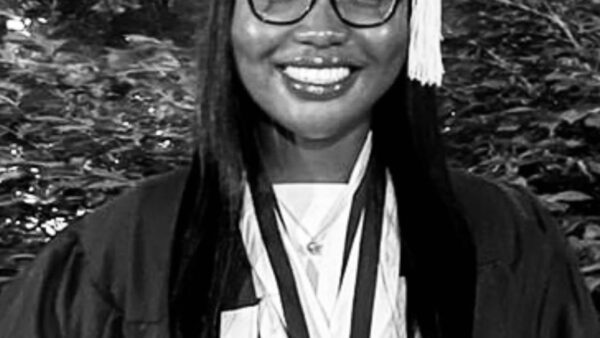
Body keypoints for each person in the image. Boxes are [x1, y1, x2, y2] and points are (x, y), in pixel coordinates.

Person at [0, 0, 598, 337]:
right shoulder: (117, 251)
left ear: (415, 24)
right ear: (229, 20)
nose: (320, 30)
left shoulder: (506, 237)